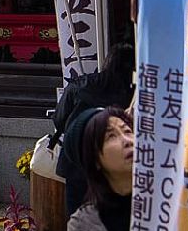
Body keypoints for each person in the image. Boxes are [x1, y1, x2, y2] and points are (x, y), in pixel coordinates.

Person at [55, 44, 137, 213]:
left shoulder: (79, 85)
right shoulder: (131, 96)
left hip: (76, 162)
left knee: (77, 215)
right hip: (111, 167)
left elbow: (59, 121)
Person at [67, 107, 134, 231]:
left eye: (128, 131)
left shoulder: (170, 200)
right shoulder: (83, 225)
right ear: (94, 159)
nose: (128, 141)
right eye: (111, 136)